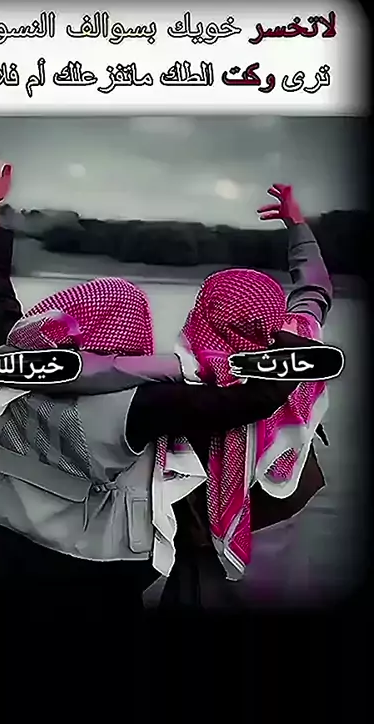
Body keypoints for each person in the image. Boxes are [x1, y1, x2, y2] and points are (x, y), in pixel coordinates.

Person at [0, 154, 327, 626]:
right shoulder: (149, 405)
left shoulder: (19, 364)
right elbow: (248, 397)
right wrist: (291, 351)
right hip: (86, 568)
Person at [158, 184, 333, 609]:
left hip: (208, 548)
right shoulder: (298, 347)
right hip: (289, 514)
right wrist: (298, 226)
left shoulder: (181, 387)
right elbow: (314, 289)